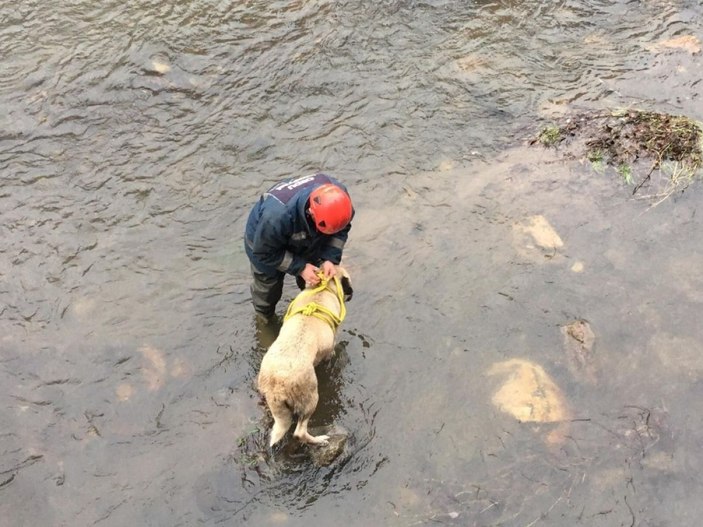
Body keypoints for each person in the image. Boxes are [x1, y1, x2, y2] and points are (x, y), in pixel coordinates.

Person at [244, 172, 354, 323]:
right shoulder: (276, 217)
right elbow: (264, 253)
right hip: (264, 243)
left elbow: (341, 230)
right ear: (311, 213)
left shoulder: (340, 200)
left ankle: (309, 312)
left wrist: (329, 258)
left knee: (315, 279)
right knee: (268, 288)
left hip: (306, 237)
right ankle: (264, 320)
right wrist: (300, 267)